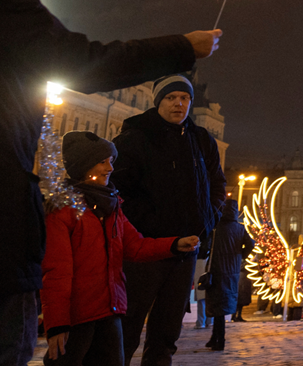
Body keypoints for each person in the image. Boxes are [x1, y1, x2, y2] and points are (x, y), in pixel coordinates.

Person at [0, 0, 221, 366]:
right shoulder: (5, 1)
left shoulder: (200, 141)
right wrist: (181, 47)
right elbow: (81, 61)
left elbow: (208, 187)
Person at [40, 132, 200, 366]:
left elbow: (135, 246)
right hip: (78, 317)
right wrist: (57, 324)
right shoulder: (62, 210)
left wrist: (174, 244)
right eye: (103, 161)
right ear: (84, 166)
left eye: (111, 162)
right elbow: (56, 272)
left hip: (110, 312)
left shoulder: (112, 205)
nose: (110, 168)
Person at [112, 75, 229, 364]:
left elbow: (217, 184)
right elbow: (120, 191)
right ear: (158, 101)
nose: (179, 103)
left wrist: (207, 219)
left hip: (186, 248)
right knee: (128, 327)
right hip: (145, 249)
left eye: (184, 98)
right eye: (171, 97)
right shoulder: (134, 137)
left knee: (167, 331)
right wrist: (150, 228)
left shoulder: (202, 140)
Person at [204, 199, 255, 350]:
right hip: (232, 272)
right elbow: (251, 243)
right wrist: (241, 255)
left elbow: (206, 245)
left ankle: (220, 340)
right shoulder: (240, 228)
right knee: (223, 305)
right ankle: (215, 337)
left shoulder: (216, 227)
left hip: (216, 270)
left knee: (217, 306)